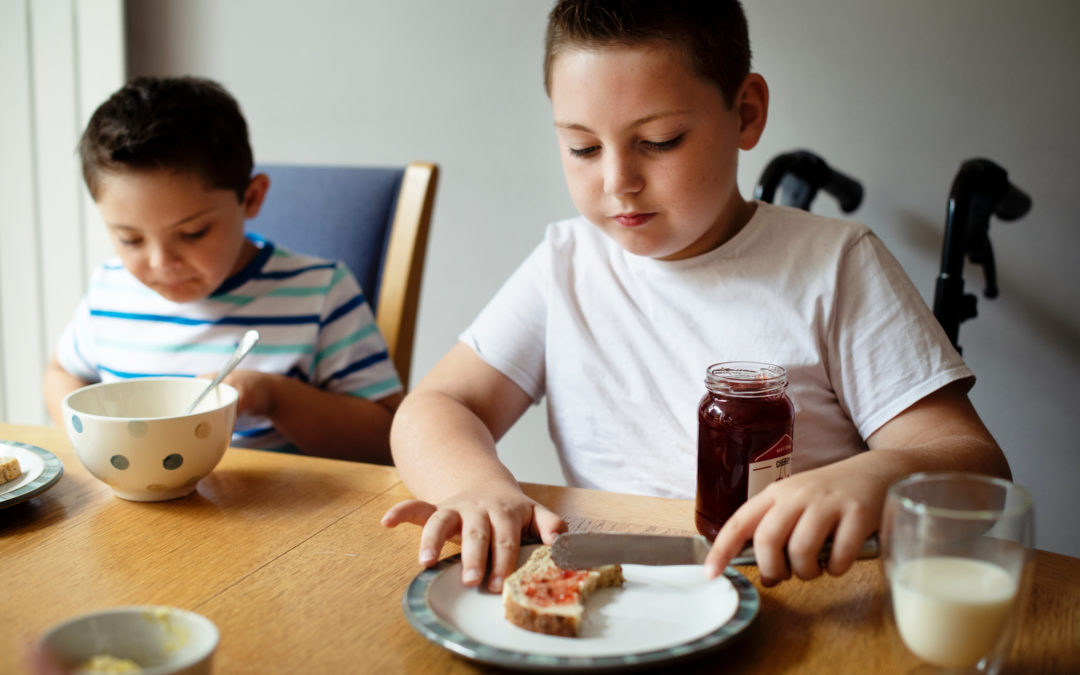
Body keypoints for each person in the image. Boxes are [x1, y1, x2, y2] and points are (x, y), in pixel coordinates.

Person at [381, 0, 1009, 590]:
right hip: (618, 594)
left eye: (658, 142)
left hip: (794, 591)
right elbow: (434, 406)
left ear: (746, 112)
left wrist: (875, 476)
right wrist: (474, 486)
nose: (617, 181)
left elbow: (977, 468)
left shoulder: (835, 265)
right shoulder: (566, 263)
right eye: (582, 147)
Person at [44, 76, 402, 463]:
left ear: (251, 198)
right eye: (130, 239)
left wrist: (276, 398)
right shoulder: (109, 290)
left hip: (274, 514)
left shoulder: (321, 293)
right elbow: (60, 373)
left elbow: (387, 437)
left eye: (193, 233)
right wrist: (92, 442)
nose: (161, 262)